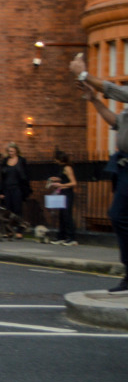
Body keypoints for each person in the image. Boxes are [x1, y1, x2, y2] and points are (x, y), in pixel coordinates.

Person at [72, 51, 128, 291]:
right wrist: (93, 99)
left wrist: (84, 73)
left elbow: (116, 91)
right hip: (124, 166)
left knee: (118, 215)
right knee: (119, 217)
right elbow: (115, 122)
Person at [0, 142, 31, 240]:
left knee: (17, 210)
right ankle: (8, 231)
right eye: (9, 151)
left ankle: (19, 231)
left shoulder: (21, 161)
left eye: (12, 151)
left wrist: (25, 189)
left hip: (17, 189)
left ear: (16, 151)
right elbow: (2, 178)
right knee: (7, 211)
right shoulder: (5, 161)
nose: (10, 153)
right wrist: (1, 192)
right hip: (7, 189)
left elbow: (26, 176)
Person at [48, 151, 78, 245]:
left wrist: (61, 184)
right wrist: (56, 179)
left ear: (60, 159)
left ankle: (71, 238)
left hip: (67, 193)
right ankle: (61, 237)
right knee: (61, 216)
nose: (55, 161)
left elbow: (74, 183)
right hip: (62, 193)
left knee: (67, 215)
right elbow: (64, 178)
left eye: (56, 159)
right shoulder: (62, 168)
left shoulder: (68, 168)